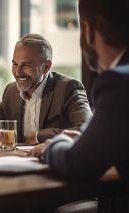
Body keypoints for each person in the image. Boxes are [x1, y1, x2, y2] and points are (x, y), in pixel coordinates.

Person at [37, 0, 129, 212]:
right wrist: (89, 142)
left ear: (87, 30)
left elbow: (76, 165)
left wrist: (54, 143)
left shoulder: (119, 83)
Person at [0, 34, 92, 145]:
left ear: (46, 67)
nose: (17, 72)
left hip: (52, 163)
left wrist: (39, 136)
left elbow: (87, 128)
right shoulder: (11, 91)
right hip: (15, 163)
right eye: (15, 64)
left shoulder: (68, 88)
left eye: (26, 65)